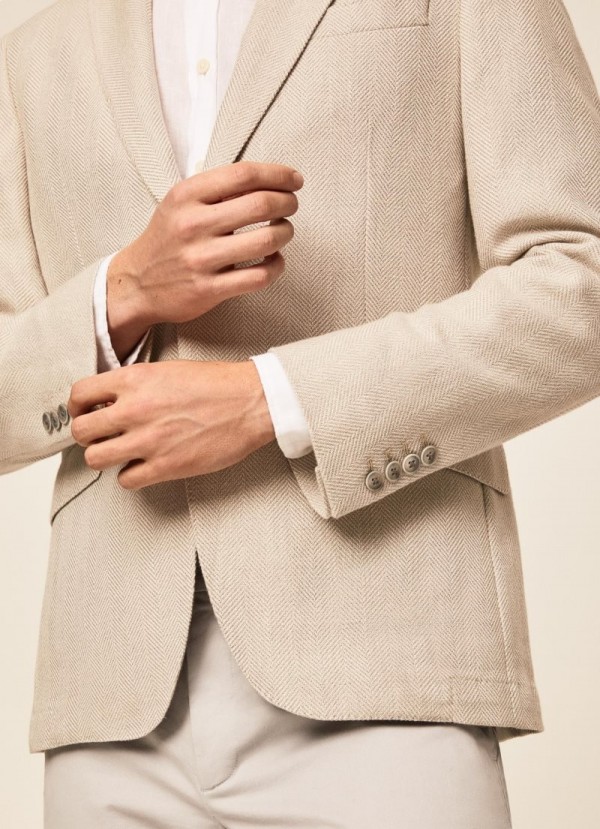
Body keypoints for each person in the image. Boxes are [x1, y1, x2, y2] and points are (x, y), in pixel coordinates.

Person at [2, 0, 600, 825]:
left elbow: (581, 282)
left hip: (387, 669)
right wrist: (123, 293)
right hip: (110, 702)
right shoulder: (36, 48)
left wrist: (272, 398)